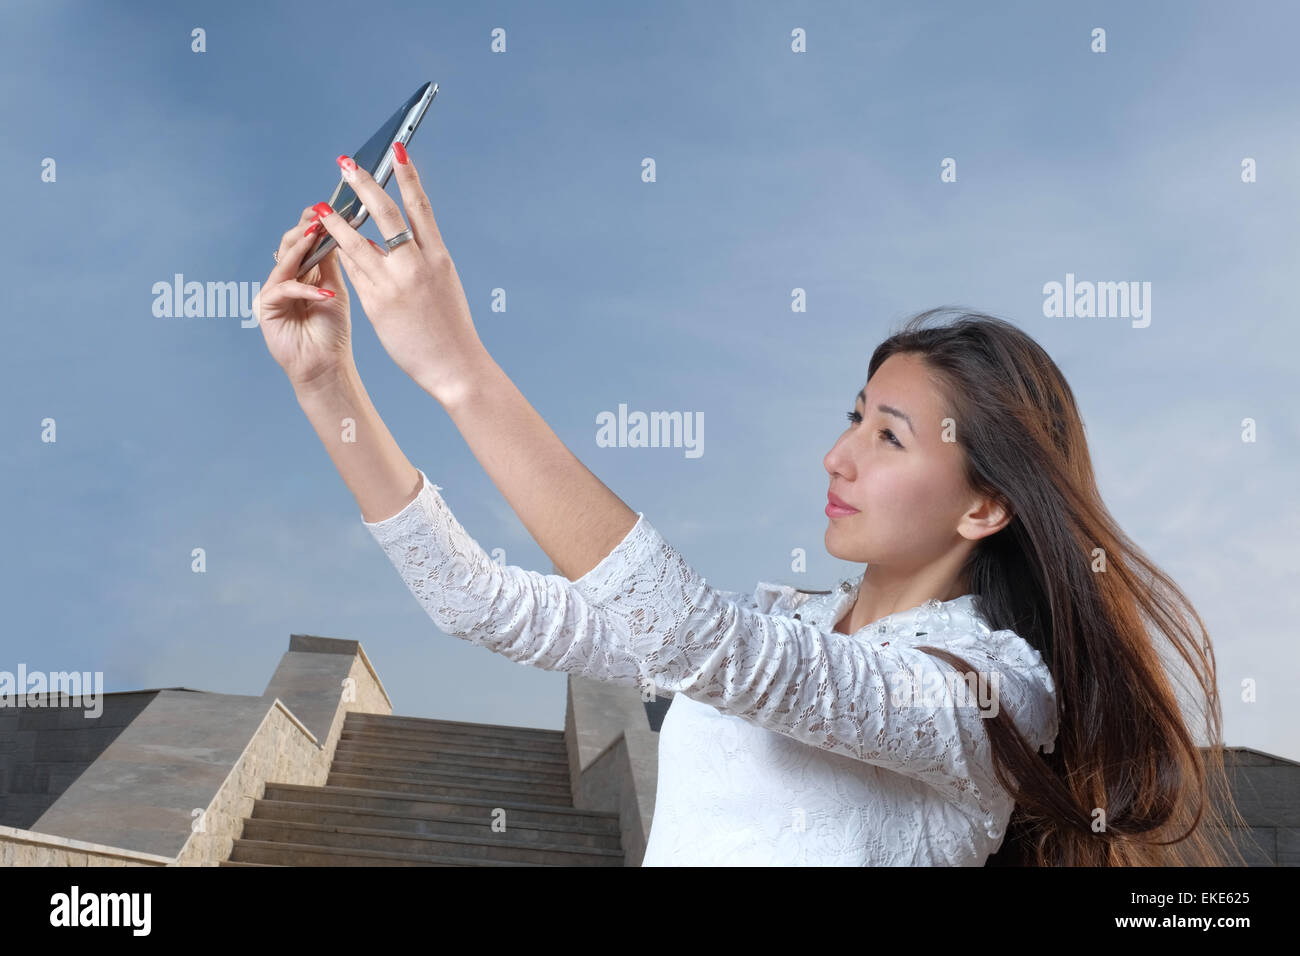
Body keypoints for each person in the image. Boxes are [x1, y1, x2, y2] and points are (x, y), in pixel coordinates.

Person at [254, 146, 1248, 866]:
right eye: (853, 417)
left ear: (985, 504)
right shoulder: (792, 627)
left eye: (889, 436)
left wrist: (462, 372)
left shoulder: (990, 689)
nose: (838, 454)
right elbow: (482, 605)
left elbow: (696, 641)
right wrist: (326, 384)